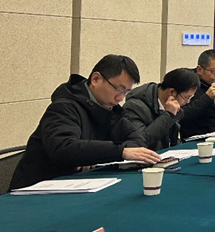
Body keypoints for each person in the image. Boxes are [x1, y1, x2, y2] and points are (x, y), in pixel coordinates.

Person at [9, 55, 160, 190]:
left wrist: (92, 154)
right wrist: (118, 152)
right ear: (96, 79)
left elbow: (138, 141)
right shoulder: (64, 107)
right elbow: (62, 147)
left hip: (80, 185)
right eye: (118, 89)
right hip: (37, 190)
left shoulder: (111, 111)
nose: (120, 98)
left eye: (126, 92)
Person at [123, 68, 199, 150]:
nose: (188, 102)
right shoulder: (133, 107)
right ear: (172, 92)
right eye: (187, 97)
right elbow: (140, 141)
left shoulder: (173, 106)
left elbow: (173, 141)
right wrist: (168, 115)